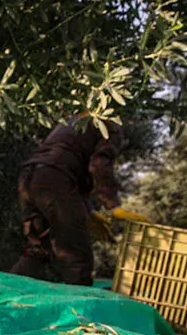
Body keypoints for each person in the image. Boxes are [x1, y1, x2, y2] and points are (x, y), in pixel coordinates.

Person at [14, 115, 149, 286]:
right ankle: (81, 312)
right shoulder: (110, 125)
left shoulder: (76, 120)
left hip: (28, 177)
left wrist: (90, 211)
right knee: (78, 257)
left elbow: (71, 164)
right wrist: (113, 206)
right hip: (55, 179)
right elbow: (98, 165)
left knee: (38, 249)